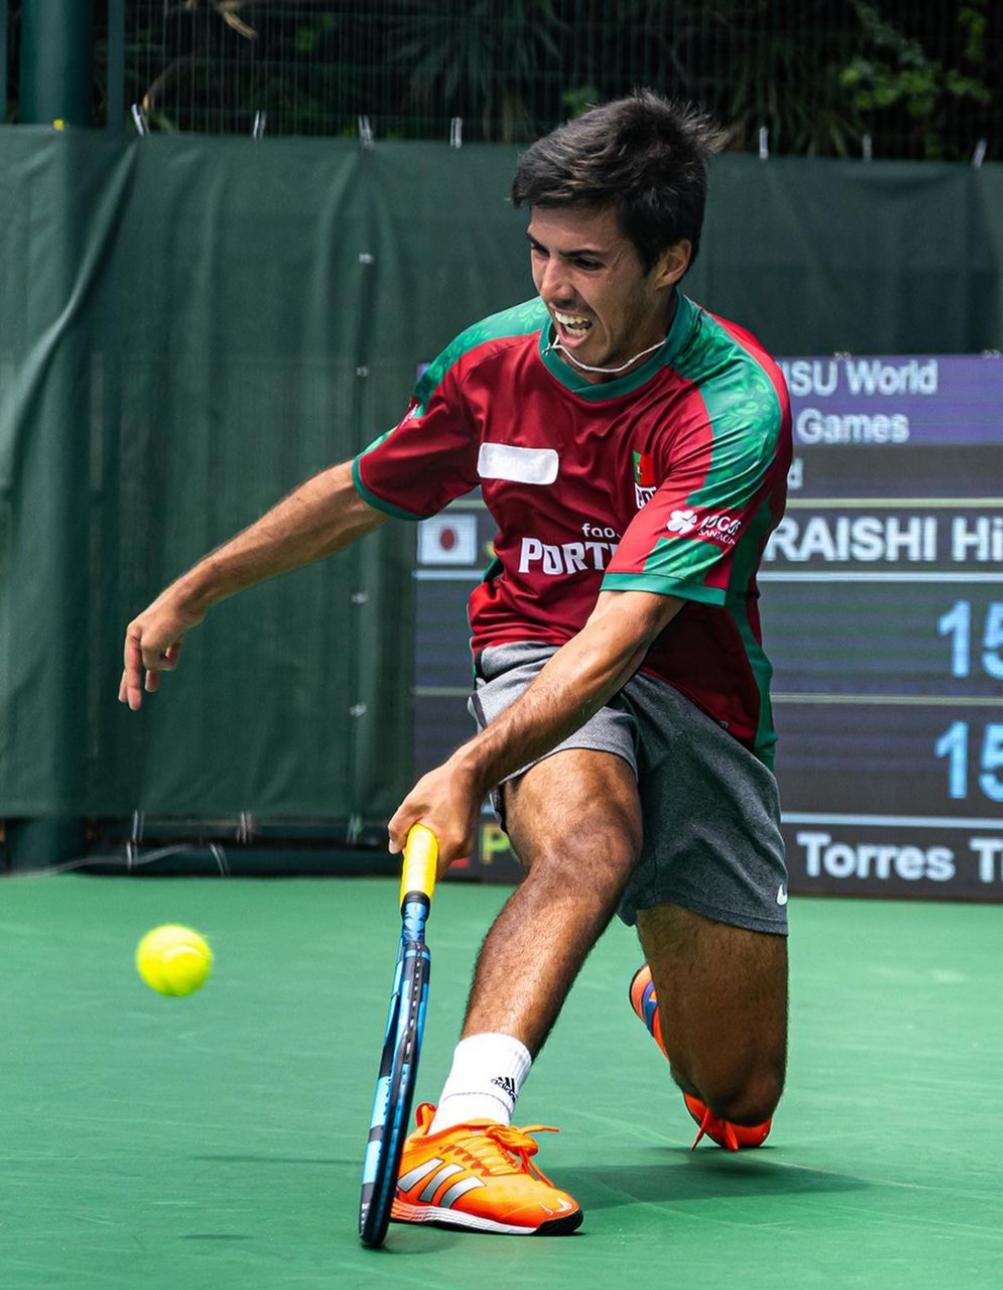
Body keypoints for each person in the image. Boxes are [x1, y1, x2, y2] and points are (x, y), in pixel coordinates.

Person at [119, 91, 793, 1238]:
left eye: (584, 261)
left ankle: (665, 992)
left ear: (669, 259)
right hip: (530, 646)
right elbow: (364, 489)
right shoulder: (493, 363)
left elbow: (624, 637)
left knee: (739, 1095)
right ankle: (464, 1132)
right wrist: (195, 587)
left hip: (689, 678)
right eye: (537, 251)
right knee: (590, 838)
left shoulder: (730, 403)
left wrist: (468, 770)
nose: (552, 287)